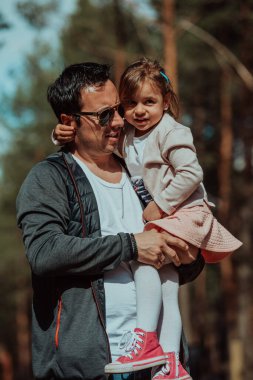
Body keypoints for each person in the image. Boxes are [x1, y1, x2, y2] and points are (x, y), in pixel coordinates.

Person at [53, 58, 242, 380]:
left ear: (166, 101)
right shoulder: (131, 131)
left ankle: (146, 339)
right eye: (130, 103)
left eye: (149, 102)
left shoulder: (171, 131)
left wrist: (160, 205)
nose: (138, 111)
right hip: (172, 214)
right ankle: (170, 363)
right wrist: (60, 136)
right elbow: (91, 134)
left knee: (143, 258)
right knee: (167, 285)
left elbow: (191, 173)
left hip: (184, 211)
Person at [16, 62, 200, 380]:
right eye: (104, 115)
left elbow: (182, 252)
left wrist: (189, 256)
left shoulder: (142, 170)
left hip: (159, 369)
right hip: (92, 368)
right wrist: (131, 246)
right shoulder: (49, 178)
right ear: (68, 122)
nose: (118, 121)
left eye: (119, 109)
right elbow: (45, 252)